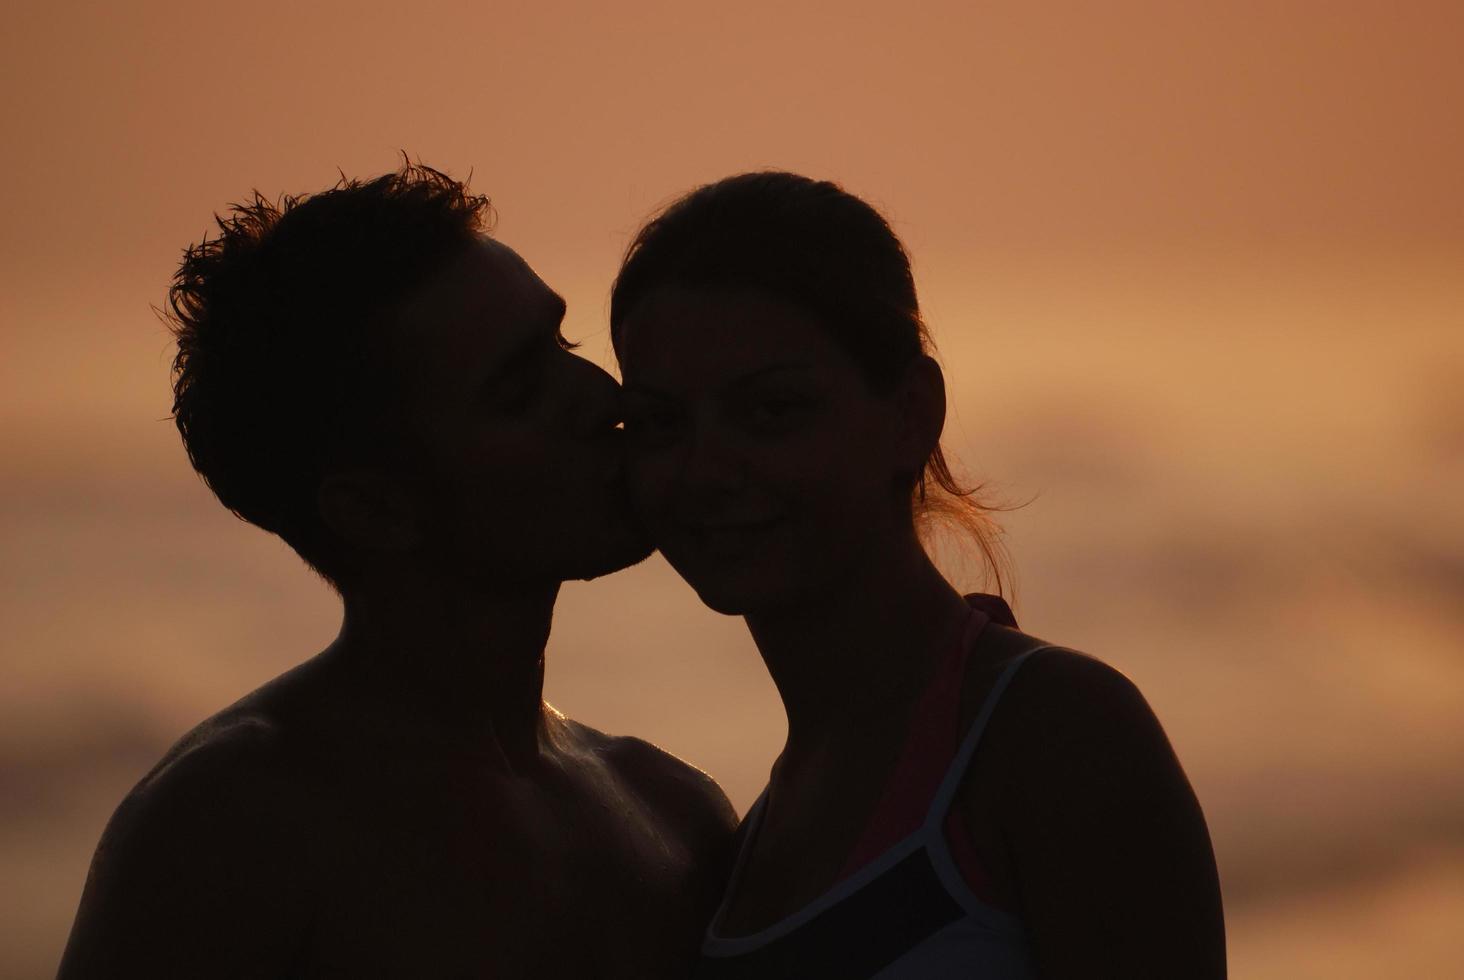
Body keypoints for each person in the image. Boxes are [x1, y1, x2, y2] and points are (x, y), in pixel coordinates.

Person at [58, 163, 736, 979]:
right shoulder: (232, 832)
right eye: (520, 391)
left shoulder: (676, 811)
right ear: (375, 510)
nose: (603, 398)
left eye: (565, 343)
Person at [610, 172, 1227, 978]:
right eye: (661, 423)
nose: (707, 469)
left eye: (772, 411)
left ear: (911, 414)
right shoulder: (739, 845)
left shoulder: (1055, 737)